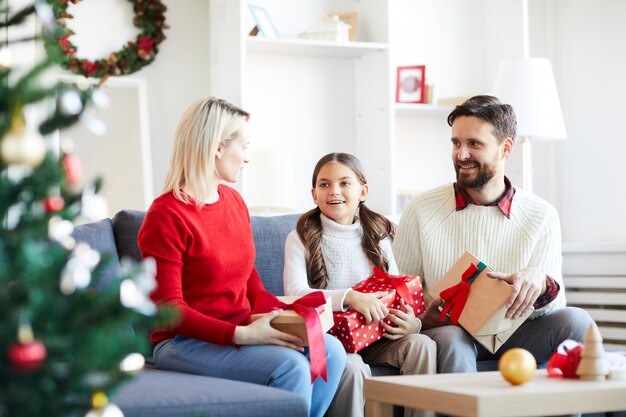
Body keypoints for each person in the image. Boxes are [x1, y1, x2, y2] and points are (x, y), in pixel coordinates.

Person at [137, 97, 346, 417]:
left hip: (238, 327)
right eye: (244, 146)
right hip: (183, 342)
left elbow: (248, 276)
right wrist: (241, 334)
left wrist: (276, 312)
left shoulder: (234, 201)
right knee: (291, 366)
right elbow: (169, 311)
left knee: (330, 350)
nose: (247, 158)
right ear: (218, 148)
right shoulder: (166, 215)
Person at [393, 95, 593, 374]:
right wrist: (424, 317)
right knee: (452, 338)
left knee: (577, 321)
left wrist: (541, 282)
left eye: (474, 144)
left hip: (520, 335)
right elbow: (399, 291)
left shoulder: (541, 214)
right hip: (449, 332)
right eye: (456, 143)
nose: (461, 155)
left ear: (506, 147)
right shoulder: (421, 210)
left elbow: (554, 307)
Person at [284, 152, 436, 417]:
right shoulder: (299, 238)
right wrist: (350, 297)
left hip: (375, 337)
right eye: (325, 184)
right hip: (330, 342)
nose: (334, 191)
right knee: (353, 368)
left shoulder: (378, 235)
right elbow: (296, 294)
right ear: (314, 194)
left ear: (363, 191)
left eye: (345, 183)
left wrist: (414, 323)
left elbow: (396, 289)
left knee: (423, 345)